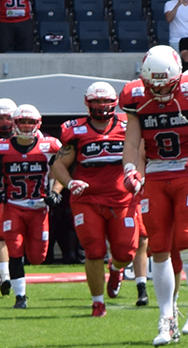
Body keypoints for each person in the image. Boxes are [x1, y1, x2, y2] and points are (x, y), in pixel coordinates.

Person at [121, 47, 188, 344]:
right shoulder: (135, 96)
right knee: (159, 247)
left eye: (165, 86)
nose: (160, 91)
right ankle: (167, 319)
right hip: (155, 172)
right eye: (153, 86)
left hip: (186, 171)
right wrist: (130, 169)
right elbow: (132, 142)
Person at [51, 82, 136, 317]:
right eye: (96, 101)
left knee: (126, 252)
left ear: (115, 103)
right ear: (87, 103)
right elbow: (58, 164)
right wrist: (70, 183)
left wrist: (138, 176)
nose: (101, 106)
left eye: (105, 101)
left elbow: (142, 153)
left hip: (122, 198)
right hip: (87, 199)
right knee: (94, 250)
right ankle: (98, 303)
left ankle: (116, 268)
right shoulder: (75, 130)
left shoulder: (128, 125)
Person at [0, 105, 60, 310]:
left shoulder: (49, 146)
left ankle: (19, 290)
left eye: (30, 122)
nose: (26, 126)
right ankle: (20, 297)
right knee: (15, 251)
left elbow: (61, 170)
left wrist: (55, 191)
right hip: (13, 207)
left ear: (37, 124)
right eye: (22, 122)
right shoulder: (2, 148)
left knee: (38, 257)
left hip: (39, 208)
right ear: (15, 124)